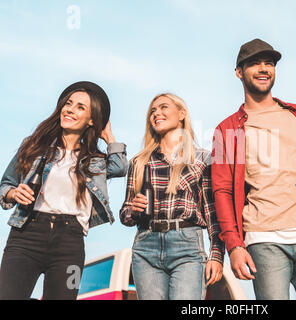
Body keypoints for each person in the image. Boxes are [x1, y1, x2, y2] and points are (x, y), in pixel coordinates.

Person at [211, 39, 296, 300]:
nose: (263, 69)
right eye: (254, 63)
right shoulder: (227, 130)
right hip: (264, 239)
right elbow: (222, 191)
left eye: (269, 63)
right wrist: (234, 245)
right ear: (239, 72)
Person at [0, 81, 128, 300]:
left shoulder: (95, 162)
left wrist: (109, 137)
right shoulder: (33, 146)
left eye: (80, 107)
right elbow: (6, 184)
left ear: (91, 120)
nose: (70, 109)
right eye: (68, 103)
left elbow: (120, 167)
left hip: (70, 241)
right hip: (26, 235)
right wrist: (13, 193)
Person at [119, 93, 225, 300]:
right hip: (145, 246)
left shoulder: (203, 159)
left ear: (182, 113)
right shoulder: (139, 162)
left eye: (163, 107)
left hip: (187, 245)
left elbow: (213, 215)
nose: (156, 114)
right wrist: (133, 210)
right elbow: (125, 215)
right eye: (152, 111)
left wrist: (217, 256)